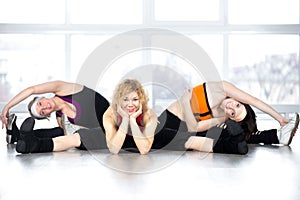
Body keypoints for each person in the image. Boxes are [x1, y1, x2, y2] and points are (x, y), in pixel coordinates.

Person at [150, 81, 299, 154]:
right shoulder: (221, 89)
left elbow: (194, 128)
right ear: (241, 102)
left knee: (229, 134)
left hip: (187, 131)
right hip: (168, 122)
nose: (231, 107)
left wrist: (185, 101)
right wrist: (279, 118)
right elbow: (253, 100)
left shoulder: (222, 117)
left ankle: (277, 136)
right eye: (238, 106)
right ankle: (274, 135)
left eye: (233, 113)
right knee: (222, 136)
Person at [0, 80, 110, 153]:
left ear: (42, 98)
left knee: (60, 131)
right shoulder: (60, 119)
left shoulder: (63, 89)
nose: (45, 107)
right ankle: (17, 135)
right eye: (42, 112)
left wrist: (7, 107)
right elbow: (87, 131)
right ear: (47, 116)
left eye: (40, 104)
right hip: (103, 129)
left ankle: (16, 135)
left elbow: (32, 90)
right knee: (59, 131)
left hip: (112, 115)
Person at [103, 79, 158, 155]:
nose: (130, 104)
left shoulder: (148, 115)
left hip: (141, 139)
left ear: (141, 101)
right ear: (119, 101)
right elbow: (114, 149)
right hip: (119, 138)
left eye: (135, 99)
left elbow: (144, 150)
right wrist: (125, 119)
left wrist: (132, 120)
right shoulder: (111, 114)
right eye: (125, 100)